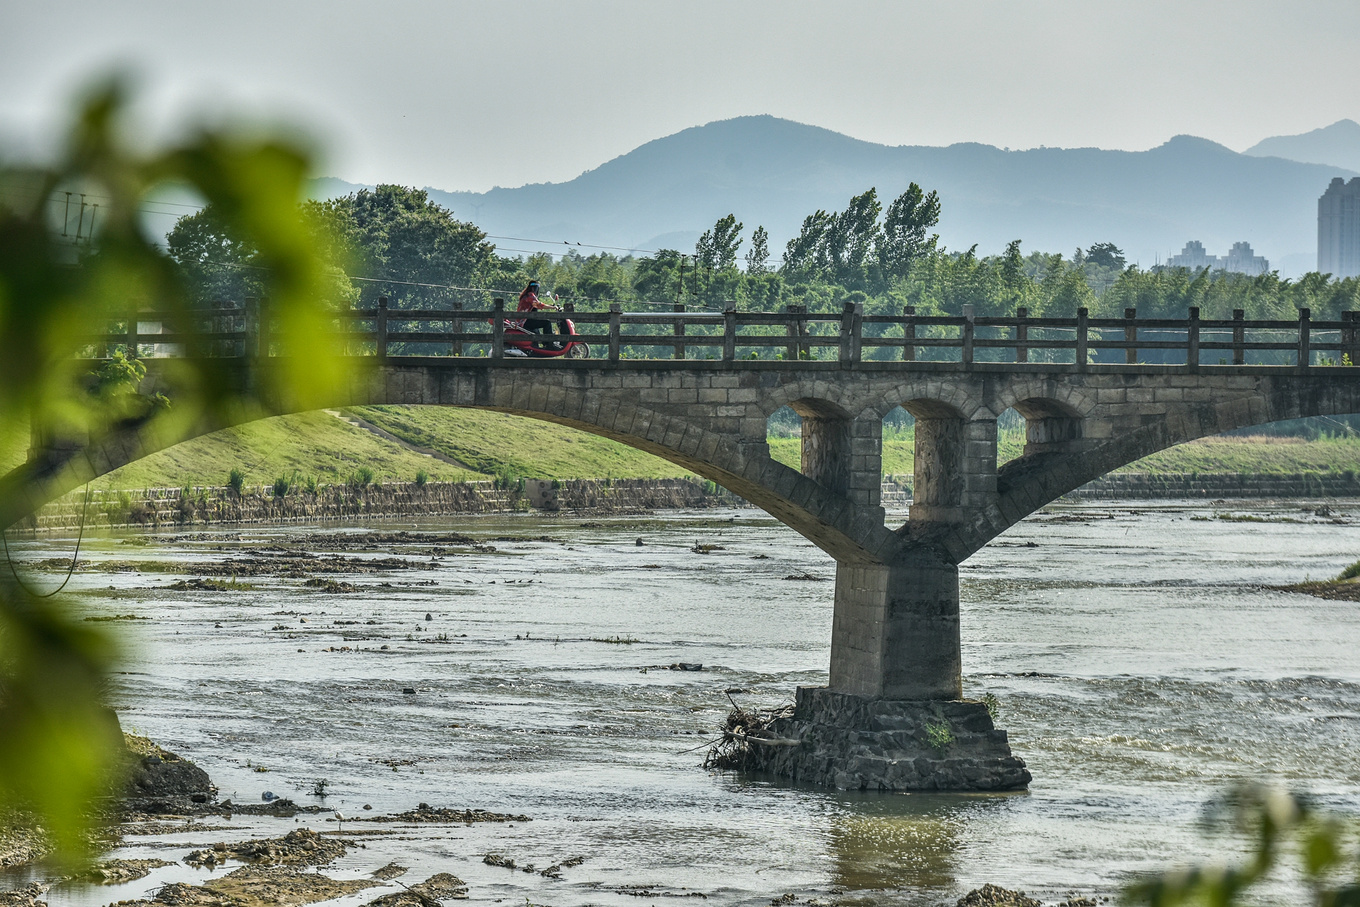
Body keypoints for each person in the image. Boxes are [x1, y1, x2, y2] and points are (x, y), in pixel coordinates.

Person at [516, 280, 560, 348]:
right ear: (534, 288)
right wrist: (553, 307)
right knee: (547, 323)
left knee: (538, 329)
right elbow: (539, 305)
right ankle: (549, 344)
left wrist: (550, 305)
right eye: (537, 288)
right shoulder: (530, 295)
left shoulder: (526, 295)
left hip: (524, 321)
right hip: (525, 321)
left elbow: (537, 305)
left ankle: (544, 345)